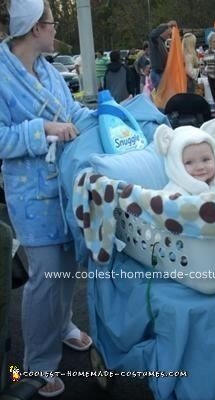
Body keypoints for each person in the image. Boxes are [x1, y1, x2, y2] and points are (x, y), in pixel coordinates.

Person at [0, 0, 93, 396]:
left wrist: (105, 116)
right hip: (31, 193)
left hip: (64, 186)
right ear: (36, 28)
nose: (56, 30)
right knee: (44, 276)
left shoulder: (51, 73)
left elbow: (72, 112)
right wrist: (43, 130)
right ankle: (37, 363)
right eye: (52, 23)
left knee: (67, 266)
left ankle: (63, 325)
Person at [154, 119, 215, 195]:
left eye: (205, 159)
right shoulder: (173, 196)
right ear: (175, 165)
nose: (200, 167)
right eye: (188, 162)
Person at [149, 20, 177, 88]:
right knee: (161, 95)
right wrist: (167, 25)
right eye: (168, 34)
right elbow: (152, 35)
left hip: (162, 73)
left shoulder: (162, 43)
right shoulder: (155, 41)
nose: (168, 36)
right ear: (162, 32)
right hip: (157, 73)